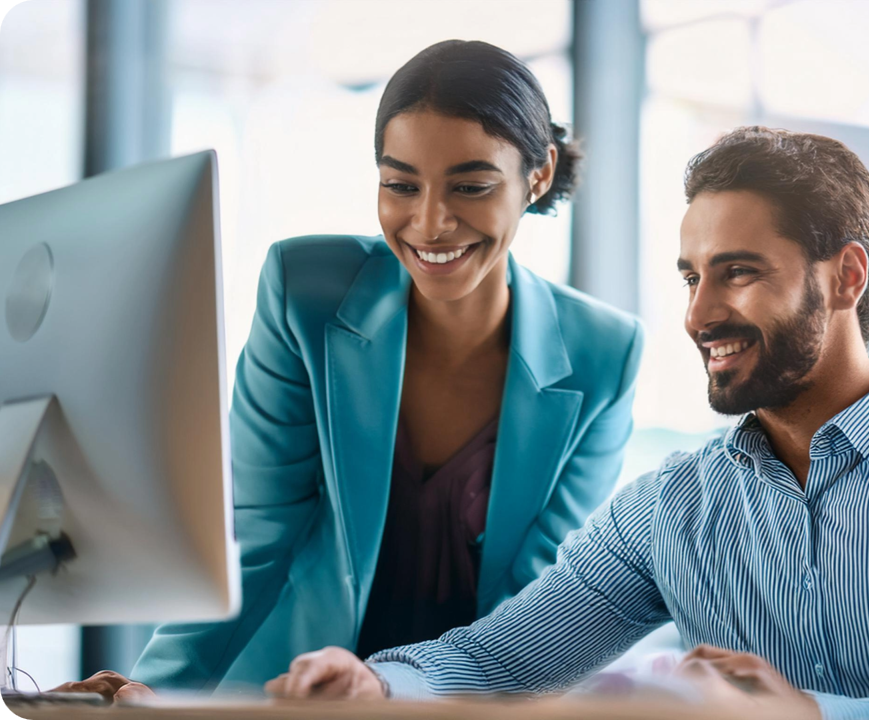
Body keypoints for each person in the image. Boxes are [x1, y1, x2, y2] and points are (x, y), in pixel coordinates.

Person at [265, 127, 869, 720]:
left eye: (738, 272)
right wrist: (375, 686)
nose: (698, 314)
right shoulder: (669, 508)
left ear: (846, 276)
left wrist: (806, 714)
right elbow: (499, 662)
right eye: (692, 276)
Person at [57, 40, 645, 701]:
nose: (429, 223)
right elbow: (259, 534)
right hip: (293, 691)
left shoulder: (603, 353)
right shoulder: (304, 292)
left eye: (470, 186)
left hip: (462, 700)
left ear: (537, 176)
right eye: (400, 185)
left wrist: (397, 689)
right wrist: (153, 692)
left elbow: (543, 604)